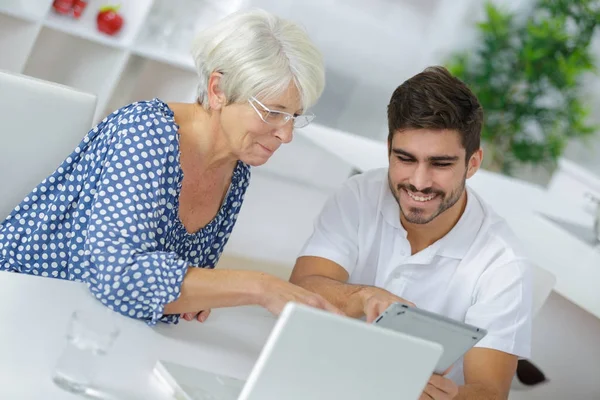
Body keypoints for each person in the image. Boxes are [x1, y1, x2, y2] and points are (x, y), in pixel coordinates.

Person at [0, 9, 341, 325]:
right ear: (218, 89)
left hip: (95, 321)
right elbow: (118, 276)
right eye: (273, 112)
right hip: (23, 297)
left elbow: (176, 287)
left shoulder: (236, 168)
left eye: (295, 116)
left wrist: (195, 292)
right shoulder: (146, 132)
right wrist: (259, 286)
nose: (286, 134)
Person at [290, 66, 532, 399]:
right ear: (388, 147)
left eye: (441, 164)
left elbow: (489, 392)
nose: (419, 182)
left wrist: (444, 396)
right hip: (320, 380)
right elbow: (300, 289)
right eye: (405, 158)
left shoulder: (503, 264)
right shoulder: (359, 194)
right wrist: (363, 297)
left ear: (473, 163)